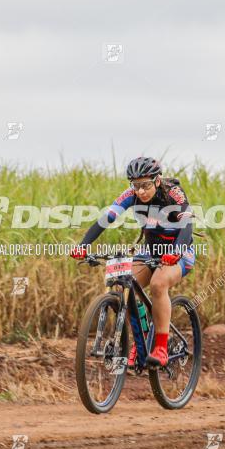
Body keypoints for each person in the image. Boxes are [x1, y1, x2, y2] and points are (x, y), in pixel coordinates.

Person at [71, 157, 195, 367]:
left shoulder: (173, 193)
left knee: (158, 284)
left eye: (145, 185)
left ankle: (161, 348)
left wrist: (176, 251)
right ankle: (141, 338)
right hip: (151, 250)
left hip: (180, 249)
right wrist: (84, 245)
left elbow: (187, 226)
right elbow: (106, 219)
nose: (140, 191)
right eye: (135, 185)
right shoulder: (131, 195)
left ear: (157, 181)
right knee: (124, 283)